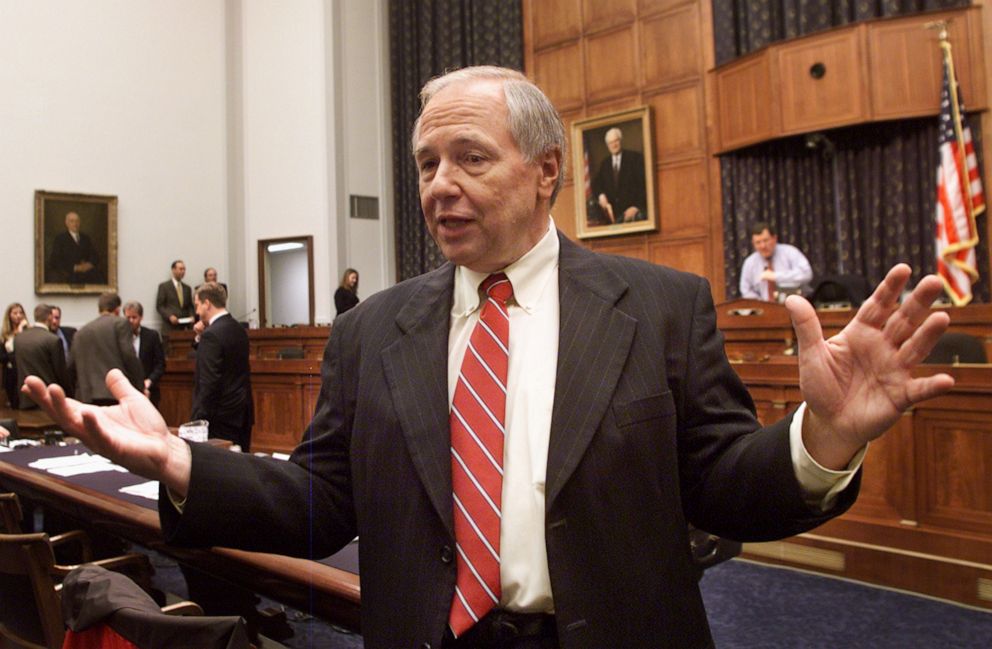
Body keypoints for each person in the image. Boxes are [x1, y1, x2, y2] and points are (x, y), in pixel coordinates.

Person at [23, 67, 955, 649]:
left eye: (469, 157)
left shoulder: (661, 307)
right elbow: (322, 502)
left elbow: (718, 486)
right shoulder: (372, 330)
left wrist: (820, 437)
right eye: (426, 164)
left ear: (547, 169)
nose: (439, 186)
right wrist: (182, 464)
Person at [189, 282, 253, 450]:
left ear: (207, 303)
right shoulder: (238, 329)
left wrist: (198, 419)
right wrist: (200, 338)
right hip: (241, 413)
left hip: (219, 417)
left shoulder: (212, 335)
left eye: (197, 305)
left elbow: (209, 382)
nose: (196, 311)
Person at [69, 293, 144, 406]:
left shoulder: (80, 333)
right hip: (114, 394)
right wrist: (139, 387)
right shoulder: (120, 324)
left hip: (85, 397)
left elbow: (70, 367)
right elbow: (129, 357)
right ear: (118, 310)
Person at [14, 304, 70, 409]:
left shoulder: (19, 339)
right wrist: (69, 397)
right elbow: (61, 373)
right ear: (49, 317)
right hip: (48, 400)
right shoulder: (53, 340)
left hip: (25, 398)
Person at [739, 222, 813, 302]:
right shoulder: (749, 263)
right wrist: (763, 304)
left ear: (774, 238)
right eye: (758, 242)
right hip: (765, 309)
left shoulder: (790, 252)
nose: (763, 246)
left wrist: (775, 276)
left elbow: (806, 274)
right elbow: (746, 290)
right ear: (753, 244)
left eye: (766, 240)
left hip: (795, 306)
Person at [590, 126, 647, 225]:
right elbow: (596, 184)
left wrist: (636, 207)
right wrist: (601, 196)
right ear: (607, 145)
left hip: (633, 215)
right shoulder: (605, 164)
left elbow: (644, 185)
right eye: (610, 143)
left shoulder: (634, 158)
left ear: (620, 141)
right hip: (614, 217)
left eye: (616, 141)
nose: (614, 145)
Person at [123, 301, 165, 410]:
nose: (131, 321)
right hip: (127, 392)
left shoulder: (152, 336)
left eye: (134, 317)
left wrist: (149, 381)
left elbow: (160, 364)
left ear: (141, 317)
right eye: (128, 318)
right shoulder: (120, 338)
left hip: (150, 390)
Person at [48, 211, 104, 284]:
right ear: (66, 223)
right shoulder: (60, 239)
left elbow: (95, 256)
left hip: (87, 273)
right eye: (72, 221)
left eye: (77, 221)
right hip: (69, 274)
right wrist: (75, 267)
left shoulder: (85, 238)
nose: (75, 224)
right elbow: (55, 260)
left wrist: (89, 265)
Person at [155, 260, 195, 333]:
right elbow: (160, 306)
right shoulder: (164, 286)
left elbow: (190, 306)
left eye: (184, 269)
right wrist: (170, 316)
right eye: (180, 269)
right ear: (173, 270)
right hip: (169, 328)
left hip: (184, 328)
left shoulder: (187, 288)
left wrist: (192, 316)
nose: (183, 271)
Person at [1, 303, 28, 407]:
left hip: (24, 371)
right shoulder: (4, 336)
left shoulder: (27, 332)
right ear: (9, 316)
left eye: (21, 313)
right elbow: (2, 357)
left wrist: (21, 332)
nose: (18, 316)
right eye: (15, 313)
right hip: (11, 374)